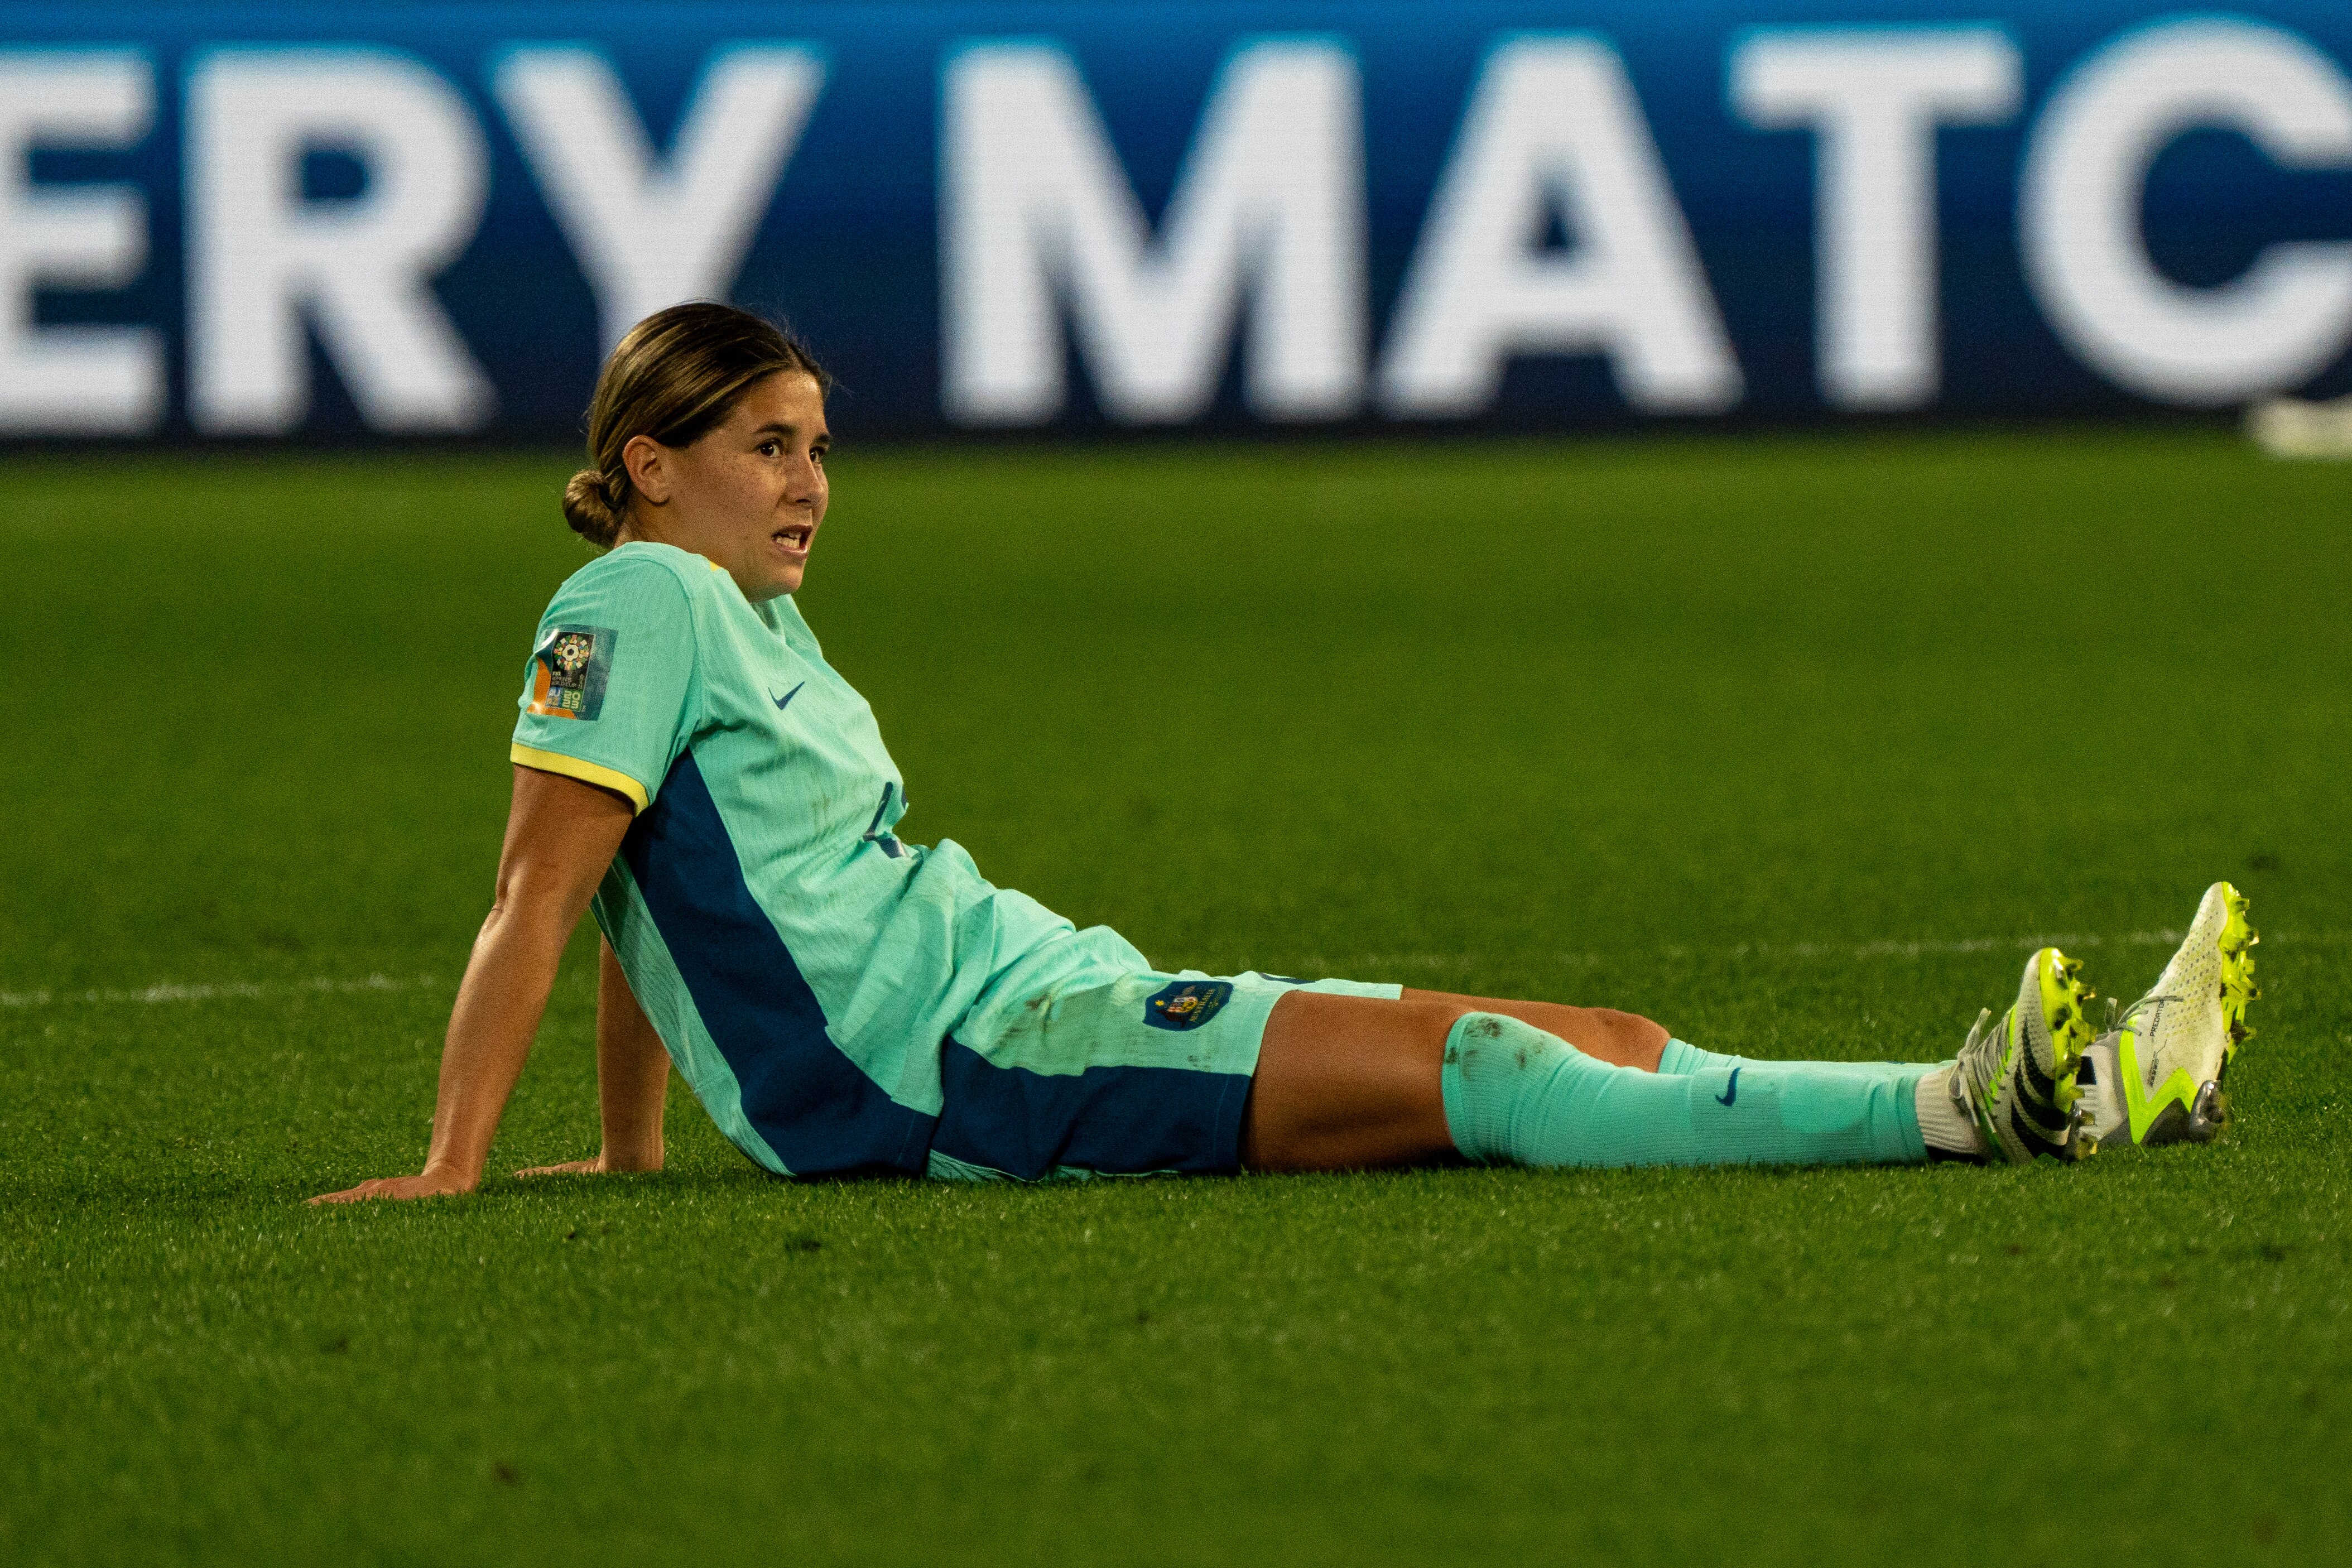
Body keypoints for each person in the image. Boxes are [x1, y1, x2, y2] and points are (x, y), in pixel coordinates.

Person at [312, 304, 2260, 1204]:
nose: (813, 481)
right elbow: (543, 887)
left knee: (1590, 1034)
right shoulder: (638, 598)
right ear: (651, 465)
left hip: (1021, 990)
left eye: (821, 444)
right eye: (769, 446)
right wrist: (454, 1164)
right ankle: (1968, 1106)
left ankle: (2099, 1088)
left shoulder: (746, 620)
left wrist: (635, 1147)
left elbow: (656, 888)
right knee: (1499, 1073)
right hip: (960, 1067)